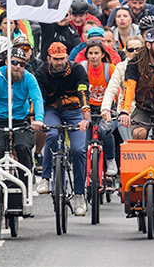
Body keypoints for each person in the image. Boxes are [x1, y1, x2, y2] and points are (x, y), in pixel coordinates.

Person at [35, 41, 89, 216]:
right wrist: (36, 118)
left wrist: (85, 117)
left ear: (67, 57)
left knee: (79, 150)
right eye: (56, 59)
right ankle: (45, 178)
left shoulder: (77, 69)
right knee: (50, 134)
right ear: (48, 58)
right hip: (52, 110)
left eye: (62, 59)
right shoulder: (42, 72)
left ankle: (79, 195)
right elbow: (37, 98)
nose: (59, 62)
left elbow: (83, 93)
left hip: (74, 111)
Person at [0, 44, 46, 172]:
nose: (18, 67)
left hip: (21, 120)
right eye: (14, 62)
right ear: (6, 62)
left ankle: (26, 179)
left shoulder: (28, 78)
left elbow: (37, 99)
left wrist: (38, 119)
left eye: (22, 64)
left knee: (23, 148)